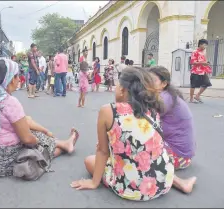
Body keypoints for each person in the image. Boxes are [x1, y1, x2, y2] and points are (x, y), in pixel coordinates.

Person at [71, 67, 197, 200]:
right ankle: (177, 181)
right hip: (162, 183)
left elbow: (103, 151)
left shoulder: (108, 110)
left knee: (90, 160)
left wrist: (93, 182)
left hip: (131, 189)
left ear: (122, 89)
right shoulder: (153, 107)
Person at [0, 57, 80, 177]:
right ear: (11, 80)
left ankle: (64, 143)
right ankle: (63, 146)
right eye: (17, 76)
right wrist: (40, 142)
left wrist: (44, 132)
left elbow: (23, 121)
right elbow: (28, 139)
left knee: (34, 132)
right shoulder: (10, 102)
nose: (19, 80)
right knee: (38, 146)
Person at [149, 66, 195, 170]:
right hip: (183, 154)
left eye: (152, 80)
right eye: (147, 80)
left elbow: (143, 118)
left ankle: (178, 182)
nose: (148, 83)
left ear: (164, 84)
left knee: (139, 156)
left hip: (178, 156)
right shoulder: (167, 95)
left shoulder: (164, 98)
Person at [189, 39, 212, 103]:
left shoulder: (203, 53)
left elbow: (204, 61)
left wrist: (207, 64)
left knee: (207, 83)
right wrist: (203, 63)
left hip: (203, 71)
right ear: (200, 44)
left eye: (206, 45)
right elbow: (193, 62)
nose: (205, 47)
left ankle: (197, 96)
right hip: (195, 71)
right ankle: (191, 99)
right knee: (193, 85)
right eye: (204, 45)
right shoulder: (195, 52)